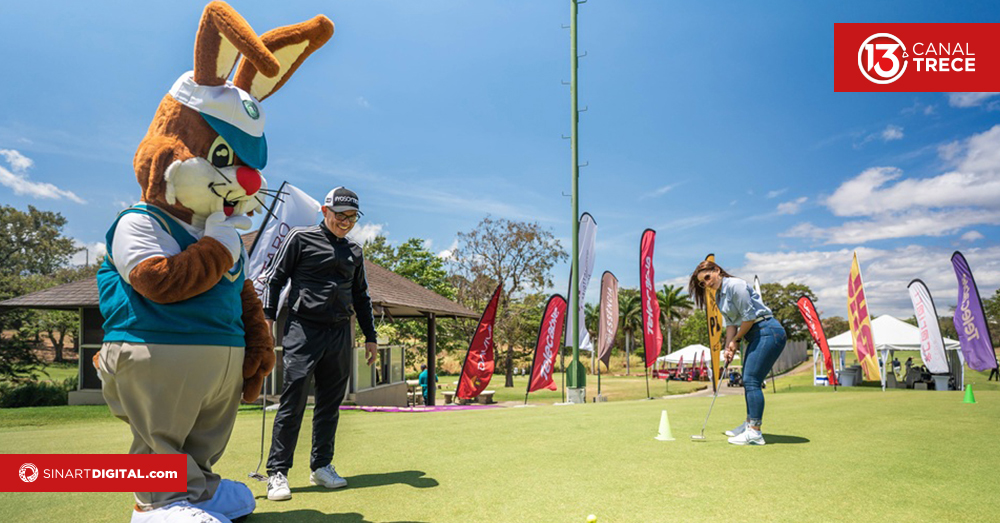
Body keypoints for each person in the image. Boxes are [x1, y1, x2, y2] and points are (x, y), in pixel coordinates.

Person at [260, 187, 378, 501]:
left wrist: (370, 337)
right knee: (294, 399)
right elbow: (275, 279)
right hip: (303, 329)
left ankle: (321, 466)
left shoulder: (355, 251)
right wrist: (268, 319)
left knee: (330, 403)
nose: (346, 221)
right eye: (341, 215)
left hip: (340, 332)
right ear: (325, 211)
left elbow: (361, 297)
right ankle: (278, 473)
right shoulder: (300, 238)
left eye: (352, 217)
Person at [689, 260, 786, 446]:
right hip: (755, 335)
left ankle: (755, 432)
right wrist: (728, 347)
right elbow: (732, 324)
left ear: (716, 270)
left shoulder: (736, 285)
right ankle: (750, 425)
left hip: (768, 331)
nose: (707, 283)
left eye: (707, 277)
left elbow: (749, 318)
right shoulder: (719, 296)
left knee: (751, 380)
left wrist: (736, 340)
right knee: (749, 380)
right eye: (702, 283)